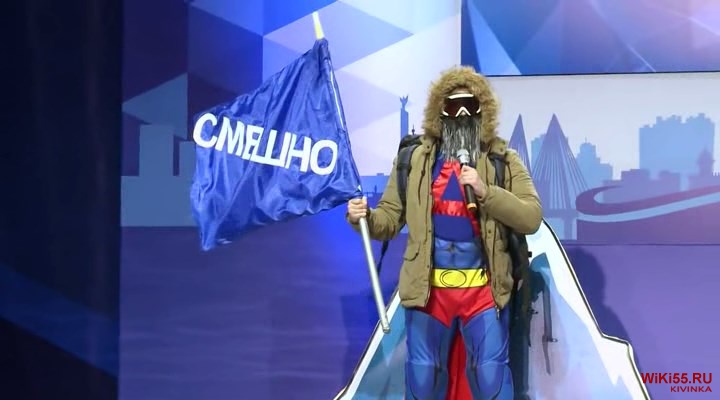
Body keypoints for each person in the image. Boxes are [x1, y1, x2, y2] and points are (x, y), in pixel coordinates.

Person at [346, 66, 542, 399]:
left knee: (492, 379)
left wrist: (486, 192)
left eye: (470, 106)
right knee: (422, 380)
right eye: (453, 106)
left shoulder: (503, 160)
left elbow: (531, 217)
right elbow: (389, 219)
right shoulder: (414, 160)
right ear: (440, 112)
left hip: (483, 292)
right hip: (429, 292)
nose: (462, 115)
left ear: (483, 111)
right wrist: (363, 217)